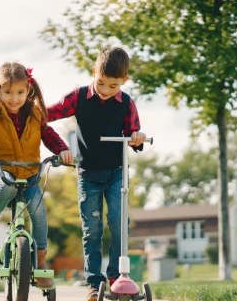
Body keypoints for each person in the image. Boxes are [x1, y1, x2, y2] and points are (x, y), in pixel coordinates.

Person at [0, 62, 73, 288]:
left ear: (28, 90)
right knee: (7, 185)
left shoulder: (36, 114)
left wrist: (62, 150)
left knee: (39, 213)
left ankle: (40, 263)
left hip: (30, 173)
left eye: (20, 92)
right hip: (1, 171)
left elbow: (49, 135)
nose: (14, 98)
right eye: (8, 92)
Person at [46, 47, 146, 301]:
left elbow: (134, 135)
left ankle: (116, 277)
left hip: (116, 171)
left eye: (112, 86)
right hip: (88, 173)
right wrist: (26, 111)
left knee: (118, 222)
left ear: (124, 80)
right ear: (94, 72)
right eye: (101, 83)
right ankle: (94, 283)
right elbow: (50, 113)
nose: (104, 90)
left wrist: (137, 137)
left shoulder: (126, 104)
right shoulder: (79, 97)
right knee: (92, 228)